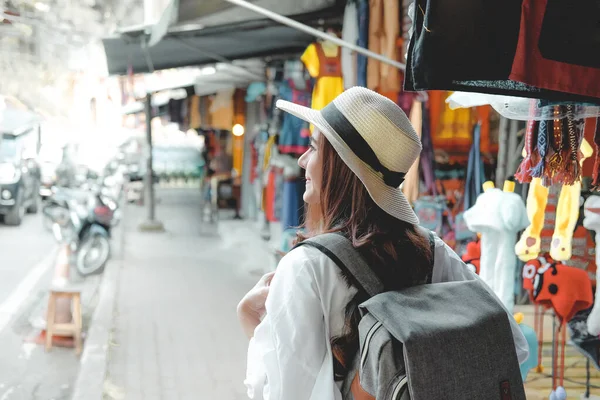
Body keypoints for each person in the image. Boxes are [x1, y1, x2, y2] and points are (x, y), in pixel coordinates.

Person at [237, 87, 529, 400]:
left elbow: (285, 391)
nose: (302, 160)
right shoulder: (432, 251)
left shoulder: (306, 267)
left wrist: (249, 320)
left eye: (313, 148)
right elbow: (514, 342)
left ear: (340, 165)